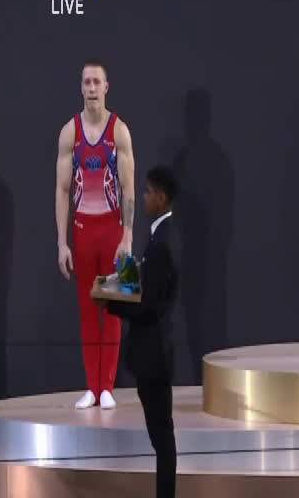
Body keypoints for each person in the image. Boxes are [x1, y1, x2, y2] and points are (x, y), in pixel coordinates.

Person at [55, 59, 135, 410]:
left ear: (106, 87)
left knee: (115, 309)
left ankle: (107, 388)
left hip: (113, 228)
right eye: (86, 82)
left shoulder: (120, 131)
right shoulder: (69, 132)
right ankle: (92, 386)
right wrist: (62, 243)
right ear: (81, 87)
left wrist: (128, 236)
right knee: (88, 310)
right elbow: (61, 191)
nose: (91, 88)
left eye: (96, 82)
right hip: (83, 230)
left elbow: (129, 187)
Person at [107, 165, 178, 498]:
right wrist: (127, 274)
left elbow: (148, 304)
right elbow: (152, 288)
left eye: (148, 192)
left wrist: (110, 302)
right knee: (161, 437)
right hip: (156, 353)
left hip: (153, 355)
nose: (144, 197)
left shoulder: (161, 243)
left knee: (162, 438)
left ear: (161, 197)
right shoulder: (161, 237)